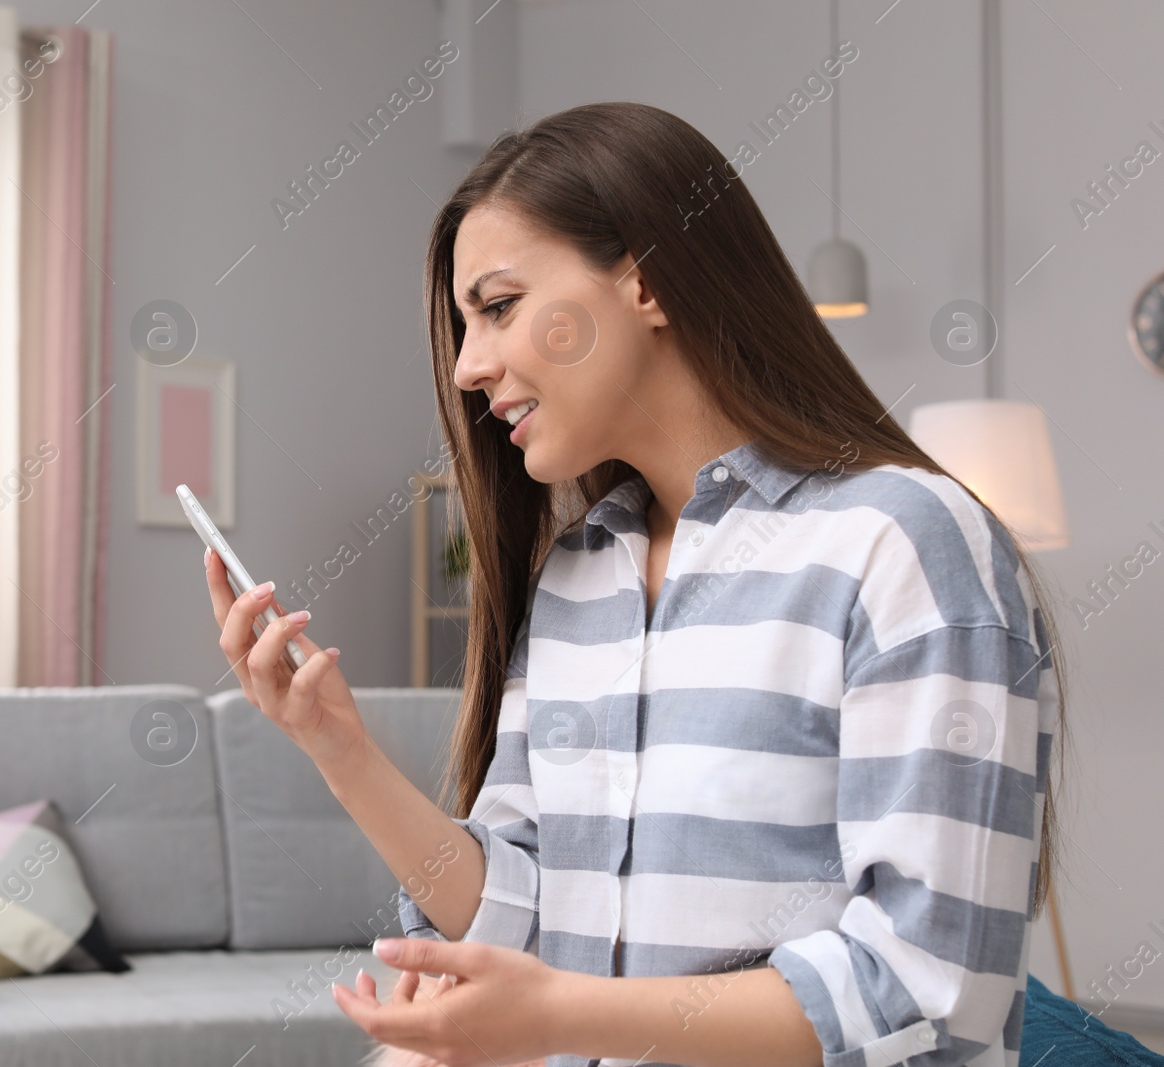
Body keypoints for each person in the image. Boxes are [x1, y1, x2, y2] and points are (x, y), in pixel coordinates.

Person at [202, 101, 1066, 1067]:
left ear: (647, 282)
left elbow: (930, 989)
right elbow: (522, 910)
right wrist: (337, 745)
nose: (471, 365)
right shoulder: (582, 573)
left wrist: (561, 1016)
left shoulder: (902, 543)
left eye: (498, 305)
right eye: (463, 324)